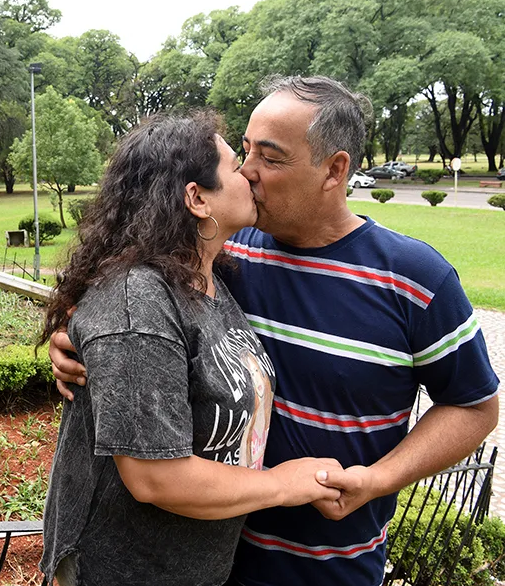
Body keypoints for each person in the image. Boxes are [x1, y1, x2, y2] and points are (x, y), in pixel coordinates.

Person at [48, 76, 500, 586]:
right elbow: (129, 298)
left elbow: (474, 405)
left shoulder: (415, 279)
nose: (248, 172)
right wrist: (73, 339)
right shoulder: (225, 257)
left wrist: (379, 480)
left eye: (271, 156)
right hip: (201, 561)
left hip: (330, 570)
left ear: (334, 169)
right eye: (243, 152)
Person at [38, 110, 343, 586]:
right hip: (121, 570)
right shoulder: (139, 302)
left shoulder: (211, 279)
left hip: (189, 567)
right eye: (234, 165)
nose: (248, 173)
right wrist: (286, 483)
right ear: (198, 199)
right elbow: (155, 476)